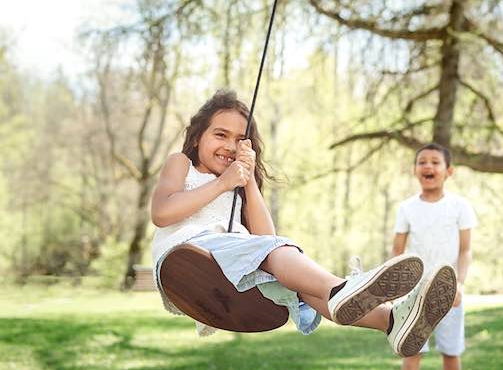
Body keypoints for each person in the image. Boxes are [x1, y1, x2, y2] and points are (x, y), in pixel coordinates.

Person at [151, 90, 457, 353]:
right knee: (285, 259)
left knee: (302, 287)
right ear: (198, 135)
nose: (230, 146)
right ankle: (342, 288)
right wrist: (222, 183)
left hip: (230, 278)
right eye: (220, 135)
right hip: (187, 261)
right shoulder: (183, 165)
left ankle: (392, 321)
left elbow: (265, 238)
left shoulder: (238, 186)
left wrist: (248, 181)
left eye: (240, 140)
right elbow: (162, 213)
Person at [392, 143, 477, 370]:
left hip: (449, 291)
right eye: (422, 162)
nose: (428, 167)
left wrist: (460, 284)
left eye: (435, 162)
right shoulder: (406, 209)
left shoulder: (460, 207)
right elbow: (398, 253)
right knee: (413, 350)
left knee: (451, 351)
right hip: (416, 292)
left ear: (448, 171)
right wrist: (398, 289)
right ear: (415, 171)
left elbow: (465, 250)